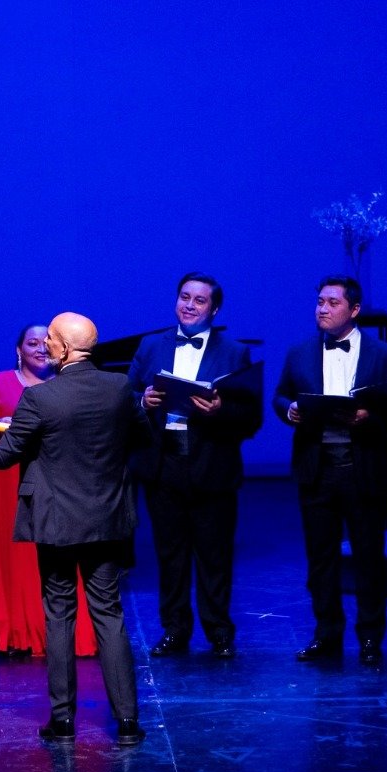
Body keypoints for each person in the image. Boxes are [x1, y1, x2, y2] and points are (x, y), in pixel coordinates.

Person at [0, 312, 152, 745]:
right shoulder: (119, 388)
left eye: (49, 340)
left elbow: (5, 457)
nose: (45, 346)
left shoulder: (41, 398)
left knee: (59, 614)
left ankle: (63, 719)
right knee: (109, 614)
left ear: (61, 348)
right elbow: (142, 437)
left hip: (57, 522)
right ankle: (128, 722)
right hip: (106, 518)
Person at [271, 275, 387, 668]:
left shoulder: (384, 354)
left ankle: (369, 638)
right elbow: (280, 395)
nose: (323, 309)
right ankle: (326, 633)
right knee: (321, 559)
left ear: (354, 309)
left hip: (362, 467)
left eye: (332, 303)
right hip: (318, 468)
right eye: (319, 302)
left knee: (368, 558)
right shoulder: (300, 352)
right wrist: (290, 410)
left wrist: (370, 414)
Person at [128, 273, 261, 659]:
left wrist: (220, 410)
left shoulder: (234, 353)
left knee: (214, 555)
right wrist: (143, 400)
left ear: (214, 309)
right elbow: (127, 393)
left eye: (199, 300)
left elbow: (249, 417)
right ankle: (175, 629)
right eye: (184, 297)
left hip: (211, 466)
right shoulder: (151, 345)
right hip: (162, 464)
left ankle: (219, 631)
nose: (189, 305)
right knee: (170, 555)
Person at [0, 325, 97, 658]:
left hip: (53, 483)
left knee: (48, 558)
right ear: (18, 349)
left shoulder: (67, 386)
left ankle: (52, 631)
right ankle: (15, 629)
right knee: (11, 556)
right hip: (4, 485)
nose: (39, 348)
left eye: (45, 342)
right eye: (31, 343)